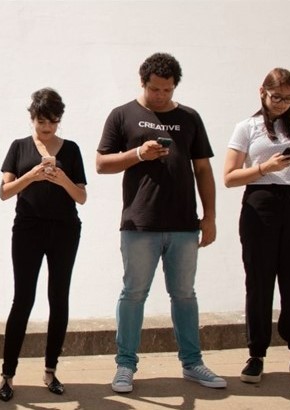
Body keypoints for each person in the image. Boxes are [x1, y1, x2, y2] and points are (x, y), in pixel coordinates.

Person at [95, 52, 226, 393]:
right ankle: (125, 366)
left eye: (167, 90)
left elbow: (203, 169)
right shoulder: (122, 115)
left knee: (184, 295)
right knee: (133, 294)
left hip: (184, 224)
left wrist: (210, 217)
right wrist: (139, 153)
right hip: (140, 224)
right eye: (154, 89)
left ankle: (192, 363)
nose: (160, 96)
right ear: (143, 82)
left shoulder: (190, 117)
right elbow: (101, 164)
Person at [223, 68, 290, 385]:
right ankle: (256, 355)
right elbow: (229, 177)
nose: (282, 103)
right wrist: (265, 167)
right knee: (259, 279)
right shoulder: (247, 127)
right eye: (276, 97)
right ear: (262, 92)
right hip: (260, 201)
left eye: (289, 98)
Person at [0, 88, 87, 402]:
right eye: (41, 121)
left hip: (65, 229)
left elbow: (81, 197)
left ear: (59, 120)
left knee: (58, 298)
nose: (47, 127)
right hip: (28, 229)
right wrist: (32, 175)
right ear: (32, 117)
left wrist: (61, 179)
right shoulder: (19, 147)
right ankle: (7, 374)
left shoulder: (71, 150)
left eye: (53, 121)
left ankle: (50, 370)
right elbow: (4, 192)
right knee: (23, 299)